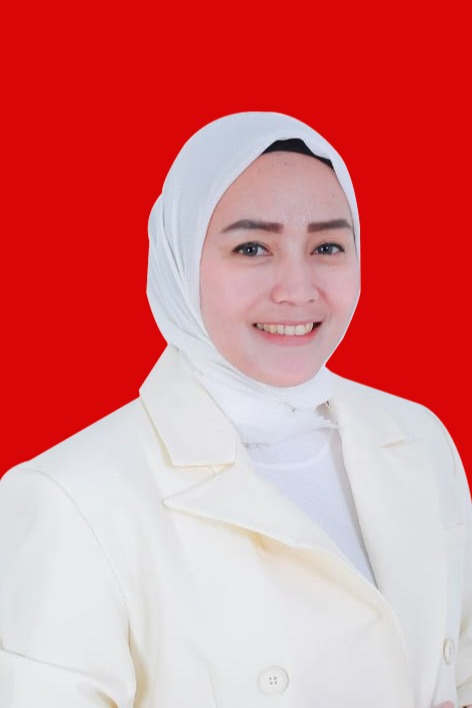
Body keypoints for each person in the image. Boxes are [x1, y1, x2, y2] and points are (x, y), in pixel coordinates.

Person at [0, 111, 470, 708]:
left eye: (327, 246)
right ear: (179, 260)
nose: (297, 289)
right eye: (252, 247)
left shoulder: (419, 438)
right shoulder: (69, 497)